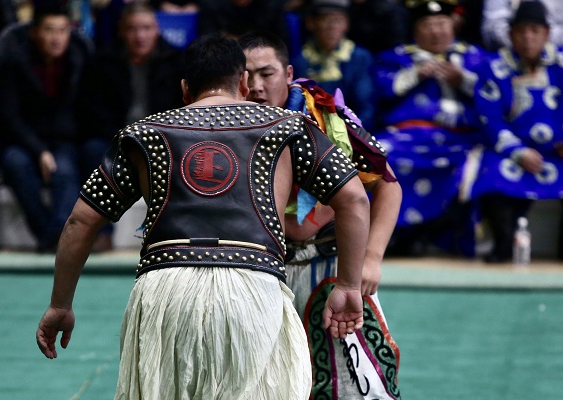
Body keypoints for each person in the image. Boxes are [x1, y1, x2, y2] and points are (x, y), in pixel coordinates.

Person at [36, 33, 371, 399]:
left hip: (164, 291)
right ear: (243, 82)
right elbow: (355, 199)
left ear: (184, 89)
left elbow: (80, 221)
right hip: (254, 287)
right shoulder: (288, 126)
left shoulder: (143, 133)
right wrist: (350, 285)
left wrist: (59, 304)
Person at [240, 30, 402, 399]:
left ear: (289, 73)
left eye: (267, 74)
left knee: (357, 389)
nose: (257, 85)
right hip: (262, 275)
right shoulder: (226, 127)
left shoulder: (330, 121)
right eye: (247, 76)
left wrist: (371, 258)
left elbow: (388, 186)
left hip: (333, 270)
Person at [373, 0, 487, 257]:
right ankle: (392, 235)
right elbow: (381, 89)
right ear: (415, 29)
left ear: (454, 25)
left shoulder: (475, 57)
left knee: (475, 165)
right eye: (428, 25)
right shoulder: (397, 57)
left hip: (461, 139)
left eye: (441, 24)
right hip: (407, 137)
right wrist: (415, 74)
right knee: (381, 155)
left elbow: (498, 97)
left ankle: (438, 236)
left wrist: (463, 80)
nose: (436, 31)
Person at [78, 1, 184, 251]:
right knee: (91, 150)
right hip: (114, 137)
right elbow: (92, 110)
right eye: (133, 29)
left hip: (162, 136)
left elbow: (181, 108)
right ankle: (100, 233)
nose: (140, 36)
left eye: (146, 28)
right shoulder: (102, 61)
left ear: (157, 29)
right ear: (122, 31)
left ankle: (169, 235)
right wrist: (121, 137)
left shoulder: (176, 61)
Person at [0, 2, 92, 252]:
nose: (56, 38)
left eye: (62, 30)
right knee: (14, 162)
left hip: (65, 139)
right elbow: (9, 115)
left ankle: (57, 239)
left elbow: (81, 113)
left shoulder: (80, 57)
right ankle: (53, 238)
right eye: (49, 30)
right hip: (24, 139)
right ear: (34, 32)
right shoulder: (13, 60)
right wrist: (39, 150)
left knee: (64, 170)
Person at [471, 0, 563, 262]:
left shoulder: (561, 63)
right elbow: (489, 118)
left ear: (546, 33)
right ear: (510, 34)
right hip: (510, 151)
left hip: (557, 152)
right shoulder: (493, 67)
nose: (527, 37)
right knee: (490, 173)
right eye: (521, 31)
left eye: (535, 30)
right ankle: (504, 248)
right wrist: (517, 151)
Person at [291, 0, 375, 129]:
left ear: (347, 24)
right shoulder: (301, 60)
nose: (332, 27)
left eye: (338, 21)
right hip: (313, 131)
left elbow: (366, 106)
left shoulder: (359, 57)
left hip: (353, 130)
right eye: (326, 20)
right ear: (311, 23)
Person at [482, 0, 563, 51]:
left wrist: (537, 39)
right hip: (507, 54)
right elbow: (493, 30)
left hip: (556, 53)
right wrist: (524, 42)